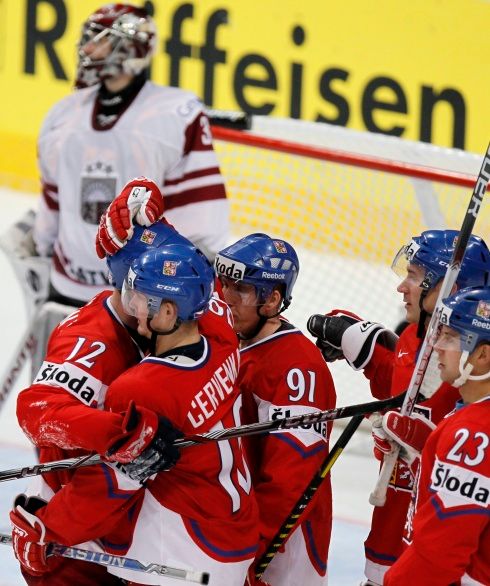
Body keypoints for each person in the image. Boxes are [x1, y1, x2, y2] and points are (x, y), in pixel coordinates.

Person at [11, 219, 190, 585]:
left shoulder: (151, 319)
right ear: (134, 285)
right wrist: (122, 434)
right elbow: (36, 411)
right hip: (68, 534)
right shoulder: (92, 342)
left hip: (114, 522)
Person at [307, 229, 490, 586]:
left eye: (415, 275)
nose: (402, 286)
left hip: (426, 559)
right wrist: (374, 355)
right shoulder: (417, 341)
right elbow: (406, 393)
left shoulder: (470, 407)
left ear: (451, 286)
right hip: (395, 530)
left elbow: (448, 540)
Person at [33, 3, 228, 309]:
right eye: (88, 38)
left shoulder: (177, 114)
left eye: (100, 40)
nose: (88, 48)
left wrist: (201, 272)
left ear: (131, 49)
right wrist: (40, 243)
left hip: (140, 296)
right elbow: (53, 197)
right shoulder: (62, 114)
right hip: (66, 289)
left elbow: (200, 215)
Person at [88, 242, 258, 585]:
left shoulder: (138, 388)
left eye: (142, 299)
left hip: (181, 555)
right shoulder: (224, 342)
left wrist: (48, 527)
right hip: (235, 541)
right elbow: (193, 273)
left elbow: (108, 489)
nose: (132, 306)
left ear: (168, 312)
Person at [214, 233, 337, 585]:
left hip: (283, 551)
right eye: (223, 283)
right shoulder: (231, 339)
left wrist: (249, 552)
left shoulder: (296, 366)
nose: (225, 297)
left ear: (271, 300)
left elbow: (291, 479)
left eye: (240, 290)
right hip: (234, 530)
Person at [380, 286, 490, 585]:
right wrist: (424, 454)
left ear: (483, 354)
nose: (437, 345)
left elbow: (441, 553)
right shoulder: (470, 416)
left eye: (452, 337)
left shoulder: (473, 434)